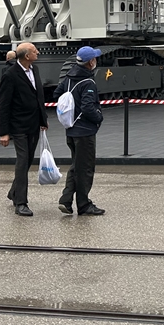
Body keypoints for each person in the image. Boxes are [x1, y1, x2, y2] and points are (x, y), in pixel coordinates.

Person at [0, 42, 48, 217]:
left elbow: (38, 96)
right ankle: (21, 202)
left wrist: (43, 119)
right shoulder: (10, 75)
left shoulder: (35, 70)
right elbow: (4, 105)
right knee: (22, 160)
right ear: (27, 56)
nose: (38, 52)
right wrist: (4, 132)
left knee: (28, 160)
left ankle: (14, 192)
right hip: (18, 126)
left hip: (33, 124)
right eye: (35, 51)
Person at [56, 46, 106, 217]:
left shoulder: (69, 78)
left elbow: (58, 93)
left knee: (76, 166)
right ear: (91, 62)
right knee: (85, 168)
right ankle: (84, 205)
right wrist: (98, 116)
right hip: (84, 132)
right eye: (95, 59)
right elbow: (88, 107)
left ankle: (66, 200)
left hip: (70, 129)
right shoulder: (88, 82)